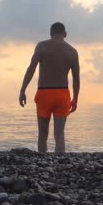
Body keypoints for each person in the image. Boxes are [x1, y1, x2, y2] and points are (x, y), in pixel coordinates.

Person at [19, 22, 80, 153]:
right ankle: (59, 165)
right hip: (62, 94)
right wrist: (75, 99)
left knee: (43, 133)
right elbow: (76, 78)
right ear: (65, 34)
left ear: (51, 33)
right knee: (59, 135)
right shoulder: (72, 51)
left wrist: (22, 90)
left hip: (44, 94)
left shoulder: (42, 46)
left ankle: (42, 162)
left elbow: (31, 69)